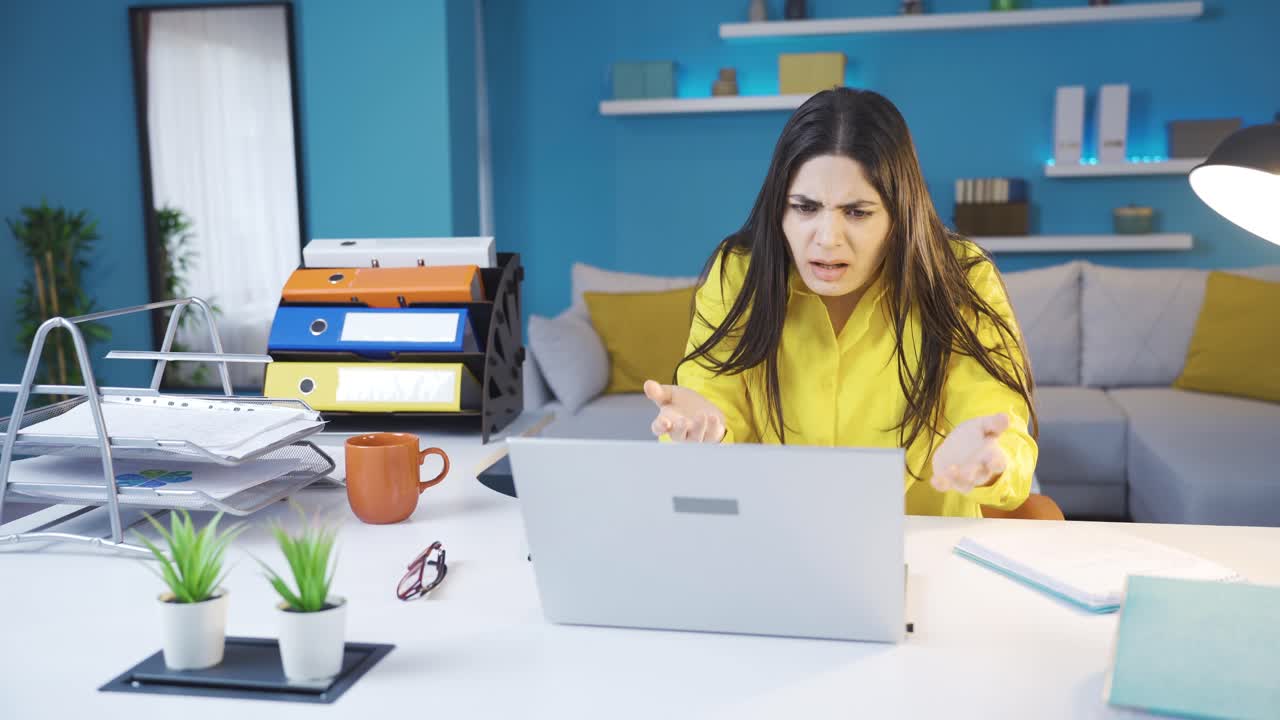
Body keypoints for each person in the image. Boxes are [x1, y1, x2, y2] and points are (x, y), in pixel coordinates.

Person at [643, 87, 1038, 518]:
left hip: (923, 549)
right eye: (805, 207)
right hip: (778, 542)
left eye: (857, 212)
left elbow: (998, 427)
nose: (827, 237)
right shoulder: (738, 274)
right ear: (780, 209)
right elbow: (711, 411)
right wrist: (703, 432)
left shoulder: (961, 276)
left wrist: (989, 457)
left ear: (898, 214)